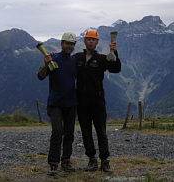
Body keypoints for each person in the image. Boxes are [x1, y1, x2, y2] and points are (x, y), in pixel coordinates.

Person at [75, 29, 121, 172]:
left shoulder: (102, 59)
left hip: (97, 101)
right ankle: (92, 160)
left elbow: (116, 68)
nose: (90, 41)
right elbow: (63, 63)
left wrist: (115, 52)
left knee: (101, 132)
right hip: (81, 102)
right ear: (85, 41)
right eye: (88, 39)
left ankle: (105, 161)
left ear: (97, 42)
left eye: (93, 39)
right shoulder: (77, 58)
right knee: (86, 132)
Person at [37, 32, 77, 173]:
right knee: (57, 131)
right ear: (62, 44)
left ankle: (66, 161)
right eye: (67, 43)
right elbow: (40, 76)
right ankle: (53, 163)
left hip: (71, 103)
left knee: (69, 133)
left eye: (72, 44)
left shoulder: (74, 61)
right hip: (55, 104)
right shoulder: (53, 58)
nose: (69, 46)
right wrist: (46, 65)